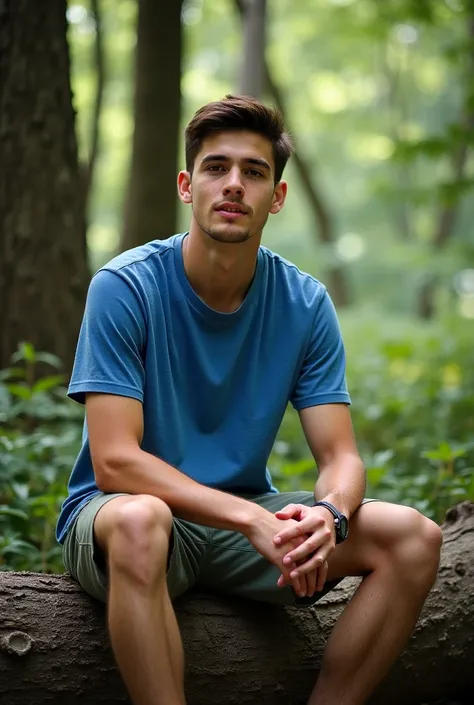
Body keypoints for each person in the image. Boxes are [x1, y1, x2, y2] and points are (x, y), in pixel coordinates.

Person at [56, 94, 442, 705]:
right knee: (141, 519)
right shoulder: (124, 286)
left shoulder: (305, 303)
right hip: (125, 518)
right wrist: (253, 519)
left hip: (240, 525)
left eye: (254, 172)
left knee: (414, 537)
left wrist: (330, 516)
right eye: (216, 167)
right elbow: (116, 463)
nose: (233, 185)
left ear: (277, 197)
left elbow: (340, 456)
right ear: (188, 185)